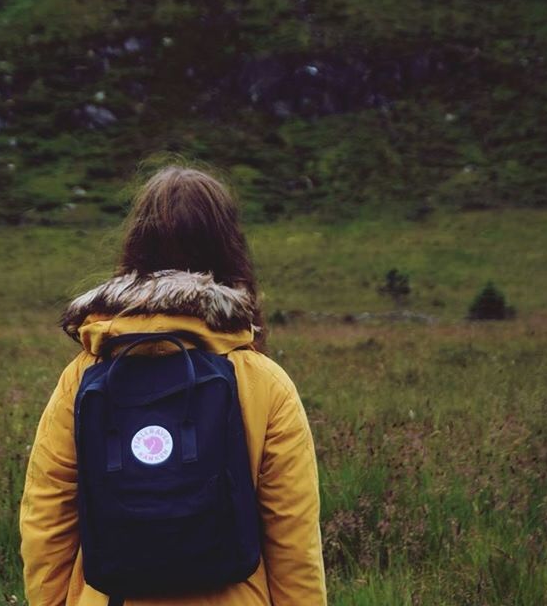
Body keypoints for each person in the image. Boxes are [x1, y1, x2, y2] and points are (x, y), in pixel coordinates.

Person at [19, 166, 327, 605]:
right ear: (229, 251)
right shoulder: (265, 382)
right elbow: (293, 538)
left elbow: (46, 520)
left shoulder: (84, 374)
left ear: (136, 249)